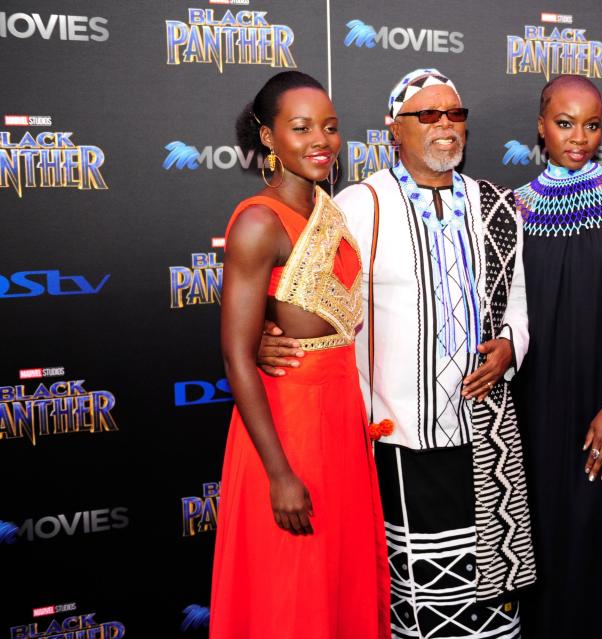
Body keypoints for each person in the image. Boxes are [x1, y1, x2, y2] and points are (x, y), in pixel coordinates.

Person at [257, 68, 536, 639]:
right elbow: (315, 300)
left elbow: (520, 306)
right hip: (396, 433)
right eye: (428, 115)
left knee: (490, 596)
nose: (445, 127)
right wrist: (272, 333)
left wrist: (509, 346)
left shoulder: (499, 207)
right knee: (417, 601)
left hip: (484, 432)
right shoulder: (356, 207)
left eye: (455, 115)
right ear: (394, 130)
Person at [210, 70, 390, 638]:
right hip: (287, 428)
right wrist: (279, 473)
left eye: (331, 128)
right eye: (301, 127)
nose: (321, 140)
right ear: (268, 138)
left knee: (339, 578)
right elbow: (238, 356)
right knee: (291, 586)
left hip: (340, 419)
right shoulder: (259, 222)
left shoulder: (330, 212)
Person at [510, 75, 602, 638]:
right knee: (543, 530)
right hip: (536, 401)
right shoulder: (515, 207)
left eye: (591, 125)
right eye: (565, 123)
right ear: (541, 127)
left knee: (601, 531)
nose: (579, 137)